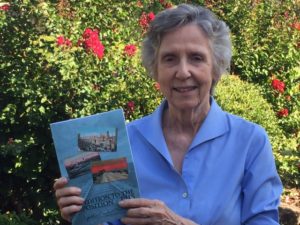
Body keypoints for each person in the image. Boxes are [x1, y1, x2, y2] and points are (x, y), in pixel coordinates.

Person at [54, 3, 283, 225]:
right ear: (156, 69)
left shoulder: (250, 142)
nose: (183, 72)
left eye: (196, 57)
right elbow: (110, 219)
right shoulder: (123, 142)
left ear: (216, 67)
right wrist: (81, 212)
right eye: (170, 59)